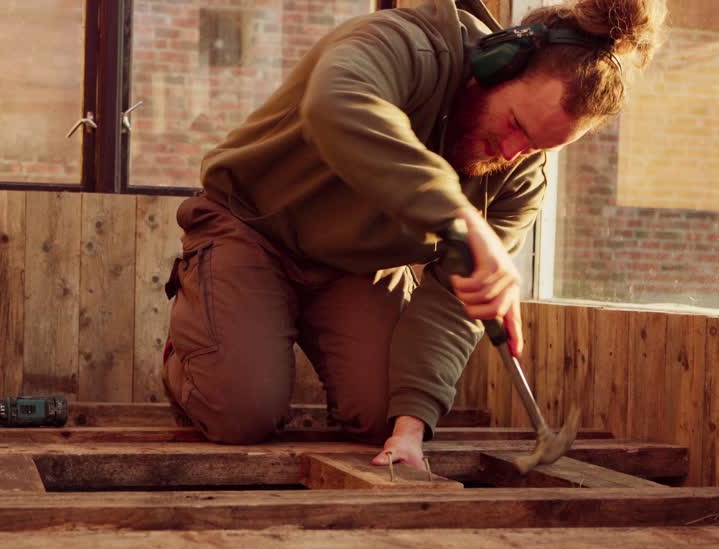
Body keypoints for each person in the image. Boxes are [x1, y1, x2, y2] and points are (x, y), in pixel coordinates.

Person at [162, 0, 666, 470]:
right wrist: (460, 217)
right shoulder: (405, 44)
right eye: (515, 123)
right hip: (250, 227)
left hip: (356, 267)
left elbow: (453, 303)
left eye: (534, 146)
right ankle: (196, 356)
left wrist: (409, 432)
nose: (511, 152)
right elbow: (336, 104)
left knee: (389, 412)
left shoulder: (520, 175)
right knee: (241, 411)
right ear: (498, 63)